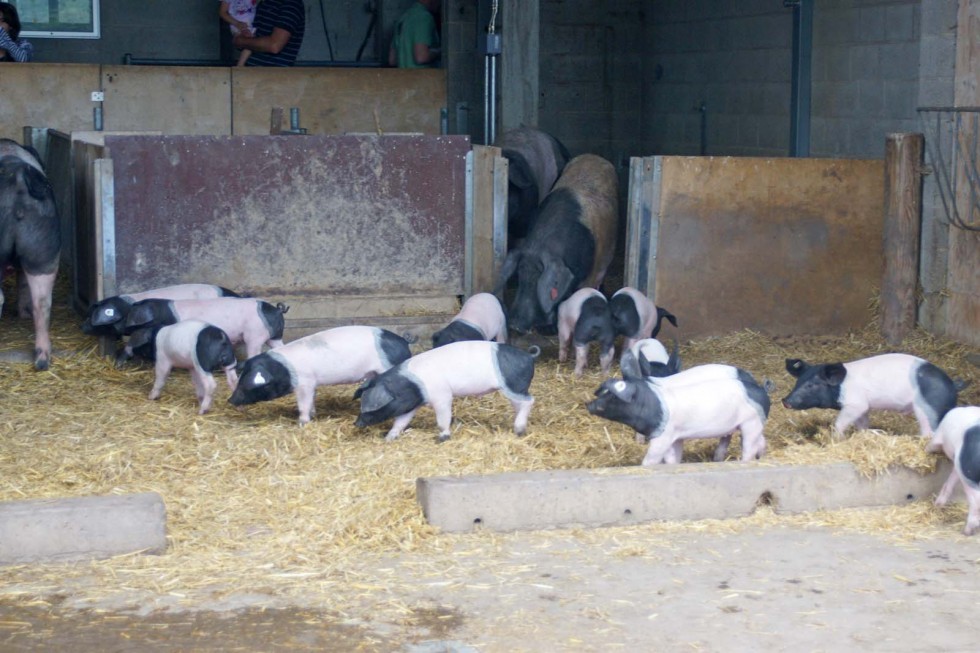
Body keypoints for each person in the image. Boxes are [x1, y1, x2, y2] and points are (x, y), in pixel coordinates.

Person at [232, 0, 304, 67]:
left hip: (273, 76)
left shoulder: (291, 3)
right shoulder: (265, 3)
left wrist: (241, 41)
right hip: (251, 73)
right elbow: (253, 38)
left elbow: (274, 46)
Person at [388, 0, 440, 69]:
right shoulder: (424, 17)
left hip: (403, 77)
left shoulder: (402, 19)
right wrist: (440, 52)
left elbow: (392, 60)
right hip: (423, 77)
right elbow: (421, 57)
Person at [219, 0, 258, 67]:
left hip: (254, 23)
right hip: (238, 25)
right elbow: (222, 13)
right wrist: (237, 24)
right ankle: (240, 66)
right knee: (249, 40)